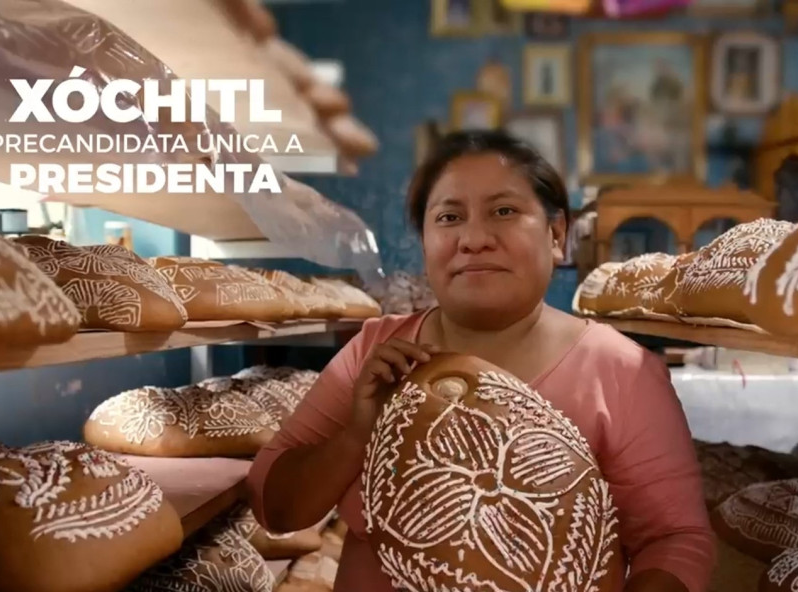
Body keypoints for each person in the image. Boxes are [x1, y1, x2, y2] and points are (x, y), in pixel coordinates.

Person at [247, 130, 715, 592]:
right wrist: (356, 436)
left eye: (504, 211)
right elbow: (273, 507)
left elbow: (674, 541)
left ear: (556, 234)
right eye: (449, 217)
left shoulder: (621, 372)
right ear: (425, 242)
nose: (473, 239)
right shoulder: (374, 351)